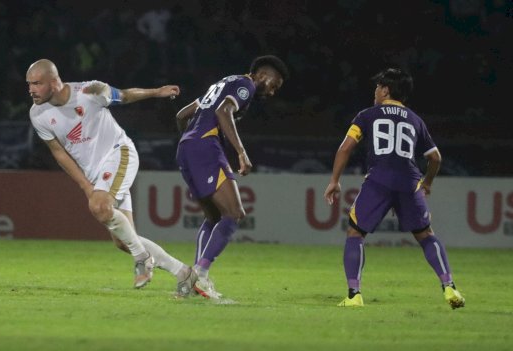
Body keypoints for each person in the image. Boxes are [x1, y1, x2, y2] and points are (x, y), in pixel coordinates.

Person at [26, 59, 196, 297]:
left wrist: (157, 92)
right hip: (96, 175)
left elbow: (125, 96)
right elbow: (59, 153)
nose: (31, 89)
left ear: (54, 82)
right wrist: (86, 185)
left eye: (36, 83)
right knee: (122, 241)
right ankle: (184, 274)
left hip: (119, 153)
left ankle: (142, 258)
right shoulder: (38, 114)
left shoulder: (90, 91)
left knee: (99, 206)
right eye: (29, 84)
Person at [323, 68, 465, 309]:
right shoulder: (415, 120)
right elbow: (436, 158)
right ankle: (449, 286)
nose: (375, 91)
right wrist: (427, 183)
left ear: (386, 89)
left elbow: (345, 148)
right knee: (426, 235)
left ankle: (354, 294)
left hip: (379, 180)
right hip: (410, 182)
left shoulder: (367, 115)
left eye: (377, 87)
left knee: (355, 234)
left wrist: (334, 180)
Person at [175, 55, 289, 299]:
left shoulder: (221, 83)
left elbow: (181, 115)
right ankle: (201, 275)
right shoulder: (245, 85)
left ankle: (195, 280)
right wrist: (241, 152)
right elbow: (224, 111)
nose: (272, 92)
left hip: (186, 148)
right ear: (262, 75)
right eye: (274, 85)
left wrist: (189, 143)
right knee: (235, 213)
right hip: (205, 146)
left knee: (215, 216)